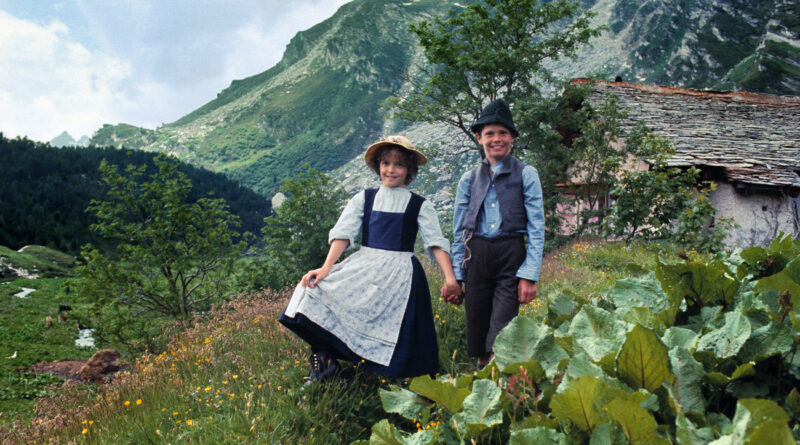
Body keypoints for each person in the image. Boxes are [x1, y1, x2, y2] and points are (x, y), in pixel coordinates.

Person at [279, 135, 462, 383]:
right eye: (385, 163)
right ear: (378, 166)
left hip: (401, 273)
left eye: (398, 164)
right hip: (365, 265)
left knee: (403, 325)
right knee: (312, 291)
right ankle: (324, 360)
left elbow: (435, 243)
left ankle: (412, 381)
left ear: (409, 170)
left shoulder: (420, 204)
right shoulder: (365, 198)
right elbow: (343, 234)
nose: (391, 169)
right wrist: (325, 268)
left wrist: (450, 278)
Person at [451, 98, 545, 370]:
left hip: (510, 256)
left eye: (503, 132)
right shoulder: (468, 179)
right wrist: (458, 275)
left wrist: (529, 274)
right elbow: (459, 230)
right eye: (489, 133)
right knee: (478, 327)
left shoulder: (527, 174)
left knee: (502, 327)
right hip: (476, 255)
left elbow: (537, 227)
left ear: (512, 137)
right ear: (479, 138)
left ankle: (500, 379)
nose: (496, 139)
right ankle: (483, 377)